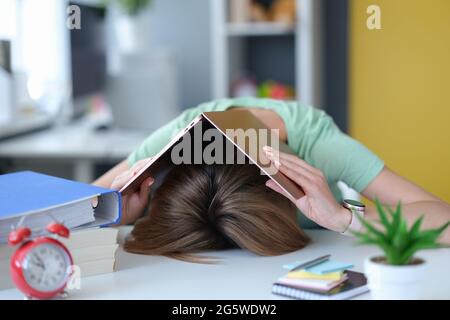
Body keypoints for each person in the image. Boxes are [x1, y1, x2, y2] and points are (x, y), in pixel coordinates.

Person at [94, 97, 450, 252]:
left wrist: (343, 218)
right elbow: (70, 206)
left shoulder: (318, 144)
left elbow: (445, 221)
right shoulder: (174, 138)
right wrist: (112, 215)